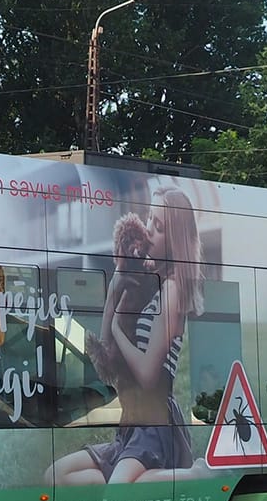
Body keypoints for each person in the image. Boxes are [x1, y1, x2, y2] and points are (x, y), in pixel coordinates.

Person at [47, 188, 204, 485]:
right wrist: (114, 293)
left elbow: (147, 375)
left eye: (158, 227)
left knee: (119, 491)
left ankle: (193, 475)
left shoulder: (171, 290)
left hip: (156, 426)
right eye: (149, 218)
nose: (147, 230)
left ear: (175, 241)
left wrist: (119, 330)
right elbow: (106, 359)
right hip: (131, 426)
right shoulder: (151, 280)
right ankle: (124, 482)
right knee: (56, 476)